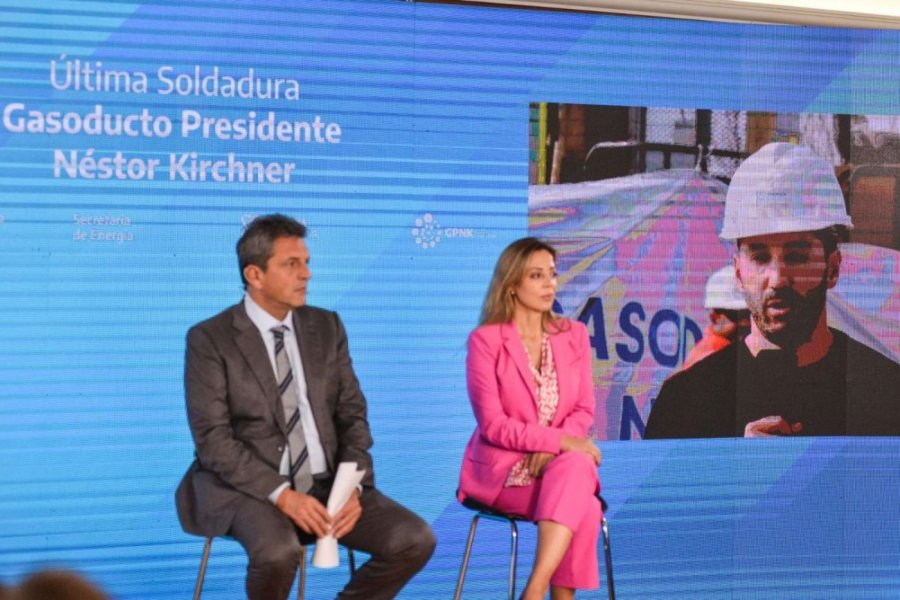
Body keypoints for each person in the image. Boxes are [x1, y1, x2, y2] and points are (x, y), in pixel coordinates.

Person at [175, 214, 435, 600]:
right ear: (254, 275)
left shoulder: (327, 326)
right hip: (250, 488)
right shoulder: (210, 339)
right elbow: (213, 441)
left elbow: (353, 416)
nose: (306, 274)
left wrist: (352, 486)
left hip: (327, 483)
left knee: (414, 539)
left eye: (307, 262)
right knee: (278, 553)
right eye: (291, 264)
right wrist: (282, 494)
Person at [645, 142, 900, 439]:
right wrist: (734, 462)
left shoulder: (886, 392)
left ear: (832, 268)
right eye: (760, 256)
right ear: (738, 273)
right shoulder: (685, 401)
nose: (777, 279)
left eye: (796, 256)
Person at [458, 237, 604, 600]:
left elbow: (583, 408)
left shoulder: (574, 335)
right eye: (536, 276)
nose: (549, 284)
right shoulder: (485, 341)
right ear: (512, 285)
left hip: (560, 467)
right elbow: (493, 425)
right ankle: (542, 593)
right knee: (583, 499)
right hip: (505, 473)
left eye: (552, 274)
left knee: (575, 472)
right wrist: (559, 442)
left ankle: (534, 589)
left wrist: (557, 449)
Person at [681, 265, 750, 371]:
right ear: (714, 318)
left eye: (749, 314)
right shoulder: (710, 359)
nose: (747, 323)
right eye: (736, 316)